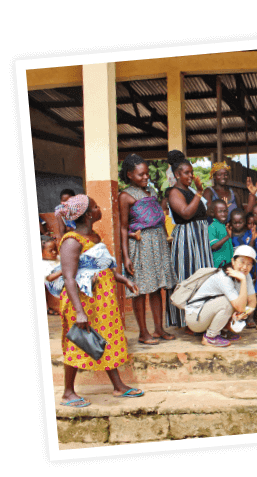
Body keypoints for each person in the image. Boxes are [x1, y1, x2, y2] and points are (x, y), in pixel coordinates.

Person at [55, 195, 143, 407]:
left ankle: (118, 386)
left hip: (102, 301)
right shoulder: (71, 242)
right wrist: (79, 312)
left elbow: (103, 268)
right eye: (94, 206)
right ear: (87, 215)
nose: (98, 208)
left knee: (105, 340)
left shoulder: (94, 236)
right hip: (83, 302)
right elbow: (68, 278)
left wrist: (124, 281)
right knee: (79, 342)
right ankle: (68, 392)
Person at [119, 154, 177, 344]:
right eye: (140, 175)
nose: (146, 177)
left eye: (146, 174)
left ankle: (159, 329)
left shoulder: (151, 192)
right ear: (129, 175)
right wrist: (126, 257)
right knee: (140, 289)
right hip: (140, 244)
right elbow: (123, 227)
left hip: (158, 242)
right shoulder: (125, 196)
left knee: (157, 287)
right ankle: (143, 333)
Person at [166, 151, 213, 332]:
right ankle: (186, 321)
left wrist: (197, 193)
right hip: (187, 239)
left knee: (202, 277)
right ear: (177, 174)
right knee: (188, 276)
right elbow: (185, 213)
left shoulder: (190, 191)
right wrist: (200, 192)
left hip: (200, 238)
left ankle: (201, 318)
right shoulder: (174, 192)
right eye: (186, 173)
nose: (190, 176)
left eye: (191, 173)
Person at [184, 245, 257, 347]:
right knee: (229, 302)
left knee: (235, 302)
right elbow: (240, 306)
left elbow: (252, 301)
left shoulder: (246, 275)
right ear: (233, 261)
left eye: (249, 264)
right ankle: (210, 337)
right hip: (195, 319)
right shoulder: (224, 277)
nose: (245, 267)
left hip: (207, 313)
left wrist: (245, 313)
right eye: (242, 262)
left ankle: (222, 331)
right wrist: (243, 281)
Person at [208, 199, 235, 270]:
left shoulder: (224, 225)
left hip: (228, 263)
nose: (223, 214)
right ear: (213, 213)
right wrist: (228, 236)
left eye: (225, 211)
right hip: (219, 264)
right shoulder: (212, 227)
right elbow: (213, 246)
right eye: (220, 211)